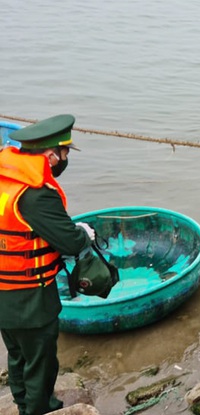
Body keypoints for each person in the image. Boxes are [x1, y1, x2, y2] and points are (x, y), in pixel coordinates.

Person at [0, 115, 93, 415]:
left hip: (3, 292)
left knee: (16, 355)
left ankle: (25, 403)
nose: (65, 159)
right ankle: (37, 409)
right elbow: (70, 243)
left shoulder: (6, 179)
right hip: (30, 296)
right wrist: (83, 234)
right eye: (64, 153)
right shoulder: (36, 194)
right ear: (50, 154)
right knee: (41, 361)